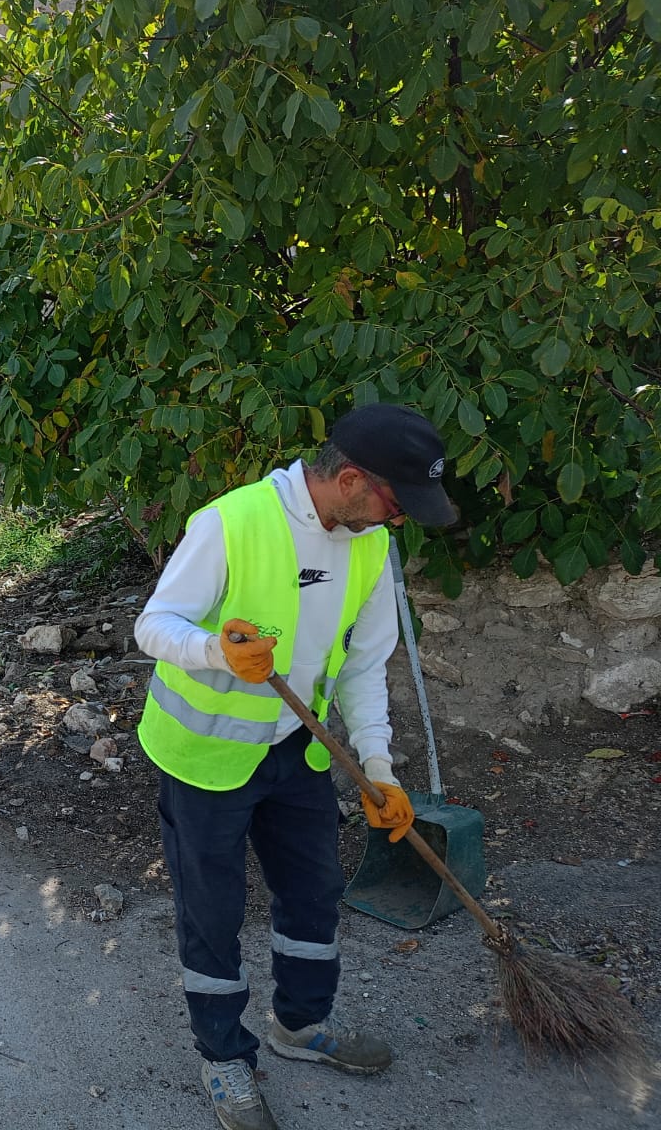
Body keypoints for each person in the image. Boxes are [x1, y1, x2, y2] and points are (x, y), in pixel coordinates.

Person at [132, 404, 456, 1130]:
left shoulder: (371, 545)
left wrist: (379, 767)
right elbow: (153, 625)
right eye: (395, 502)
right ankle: (224, 1057)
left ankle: (300, 1025)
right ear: (351, 479)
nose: (399, 518)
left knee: (314, 892)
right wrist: (216, 651)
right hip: (205, 758)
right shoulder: (233, 522)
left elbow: (364, 665)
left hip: (296, 751)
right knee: (213, 913)